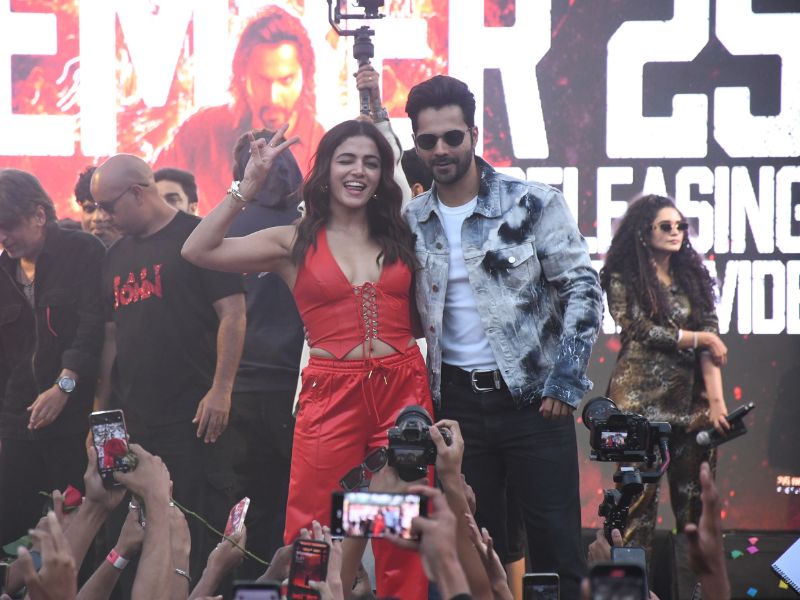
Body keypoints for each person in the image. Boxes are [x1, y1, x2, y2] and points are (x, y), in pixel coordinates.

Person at [181, 119, 430, 599]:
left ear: (382, 175)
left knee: (399, 530)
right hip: (331, 395)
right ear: (326, 171)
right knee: (316, 531)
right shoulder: (293, 241)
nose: (358, 171)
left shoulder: (400, 232)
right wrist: (246, 187)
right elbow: (197, 250)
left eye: (371, 163)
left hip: (402, 394)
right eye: (346, 160)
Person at [403, 75, 603, 597]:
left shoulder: (532, 203)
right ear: (416, 145)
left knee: (556, 551)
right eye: (428, 140)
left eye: (452, 137)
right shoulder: (411, 221)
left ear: (473, 134)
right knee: (479, 550)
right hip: (458, 408)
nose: (441, 150)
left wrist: (565, 381)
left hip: (535, 404)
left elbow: (584, 290)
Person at [90, 155, 246, 583]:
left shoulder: (197, 238)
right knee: (135, 531)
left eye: (108, 206)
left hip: (194, 416)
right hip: (136, 421)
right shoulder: (114, 256)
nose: (102, 216)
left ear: (137, 192)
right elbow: (111, 339)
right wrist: (101, 414)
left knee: (192, 527)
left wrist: (221, 389)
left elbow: (233, 313)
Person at [600, 194, 729, 564]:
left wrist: (717, 403)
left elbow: (711, 339)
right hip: (639, 404)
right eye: (666, 226)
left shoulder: (693, 277)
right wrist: (700, 339)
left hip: (690, 406)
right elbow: (639, 329)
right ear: (644, 232)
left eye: (681, 226)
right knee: (636, 505)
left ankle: (700, 586)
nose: (676, 232)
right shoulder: (622, 275)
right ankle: (634, 587)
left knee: (696, 507)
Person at [0, 169, 105, 548]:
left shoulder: (83, 251)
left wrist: (65, 385)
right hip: (18, 421)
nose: (3, 237)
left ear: (39, 214)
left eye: (9, 225)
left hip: (76, 419)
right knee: (12, 526)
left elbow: (94, 328)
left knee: (79, 529)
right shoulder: (3, 271)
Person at [226, 130, 305, 577]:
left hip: (241, 387)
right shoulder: (313, 227)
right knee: (303, 504)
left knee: (248, 505)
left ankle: (250, 587)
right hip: (301, 387)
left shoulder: (226, 226)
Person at [155, 5, 324, 211]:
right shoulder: (201, 132)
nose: (273, 97)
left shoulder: (324, 146)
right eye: (262, 80)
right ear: (243, 75)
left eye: (286, 80)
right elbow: (151, 194)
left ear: (305, 76)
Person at [74, 165, 122, 247]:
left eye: (106, 208)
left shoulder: (143, 251)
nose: (97, 218)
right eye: (89, 209)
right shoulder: (69, 252)